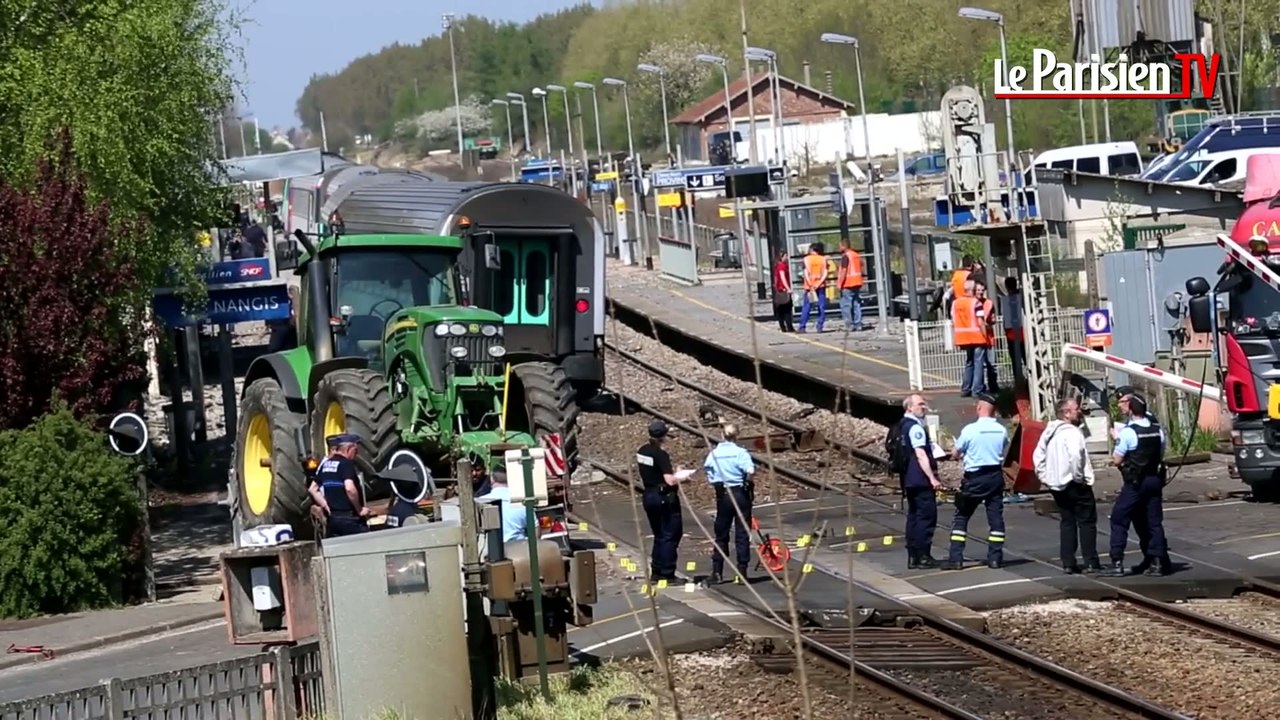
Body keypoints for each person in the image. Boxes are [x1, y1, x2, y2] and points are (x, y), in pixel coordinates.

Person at [1107, 392, 1172, 577]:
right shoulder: (1157, 429)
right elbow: (1160, 453)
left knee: (1119, 519)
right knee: (1153, 522)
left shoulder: (1128, 432)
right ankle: (1158, 562)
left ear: (1131, 411)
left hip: (1135, 482)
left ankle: (1117, 561)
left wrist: (1116, 439)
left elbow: (1117, 459)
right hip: (1154, 479)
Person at [1034, 398, 1101, 574]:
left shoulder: (1050, 430)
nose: (1080, 411)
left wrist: (1045, 477)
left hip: (1057, 485)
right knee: (1086, 522)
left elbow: (1037, 456)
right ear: (1066, 413)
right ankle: (1091, 561)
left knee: (1067, 521)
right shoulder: (1072, 433)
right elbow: (1076, 456)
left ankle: (1068, 562)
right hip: (1074, 483)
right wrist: (1079, 478)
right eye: (1076, 409)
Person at [942, 393, 1009, 570]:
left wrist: (958, 454)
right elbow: (1003, 446)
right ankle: (995, 558)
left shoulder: (970, 430)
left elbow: (957, 452)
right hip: (994, 476)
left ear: (979, 408)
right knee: (995, 518)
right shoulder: (1001, 430)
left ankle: (956, 558)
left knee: (962, 516)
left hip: (975, 478)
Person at [636, 420, 689, 582]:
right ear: (664, 436)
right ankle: (667, 573)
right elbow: (669, 480)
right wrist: (681, 475)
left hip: (649, 495)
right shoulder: (661, 454)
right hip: (663, 497)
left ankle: (656, 571)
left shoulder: (642, 451)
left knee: (659, 534)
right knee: (671, 534)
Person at [704, 424, 755, 583]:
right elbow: (751, 471)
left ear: (722, 434)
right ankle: (741, 572)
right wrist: (747, 481)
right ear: (737, 436)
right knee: (742, 533)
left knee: (721, 533)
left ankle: (717, 571)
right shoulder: (741, 453)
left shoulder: (714, 453)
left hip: (723, 494)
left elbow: (708, 469)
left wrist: (715, 481)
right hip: (740, 493)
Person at [898, 394, 942, 569]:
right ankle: (924, 556)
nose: (923, 407)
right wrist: (932, 478)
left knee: (913, 516)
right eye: (920, 404)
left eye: (924, 404)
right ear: (909, 407)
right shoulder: (915, 428)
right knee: (926, 517)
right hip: (920, 479)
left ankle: (913, 556)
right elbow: (920, 454)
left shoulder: (902, 425)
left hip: (908, 478)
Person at [308, 433, 372, 537]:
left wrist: (326, 506)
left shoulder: (325, 465)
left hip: (333, 520)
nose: (357, 454)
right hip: (350, 519)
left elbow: (312, 489)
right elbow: (350, 488)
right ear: (349, 449)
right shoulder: (346, 464)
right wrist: (359, 509)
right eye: (355, 450)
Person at [477, 467, 530, 544]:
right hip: (519, 549)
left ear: (492, 479)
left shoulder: (481, 502)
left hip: (491, 551)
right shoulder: (521, 501)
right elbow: (535, 529)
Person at [952, 279, 986, 397]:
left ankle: (965, 388)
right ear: (972, 290)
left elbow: (953, 320)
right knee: (978, 363)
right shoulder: (976, 303)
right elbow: (980, 321)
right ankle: (977, 390)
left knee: (969, 362)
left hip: (962, 337)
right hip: (977, 336)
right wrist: (985, 335)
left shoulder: (956, 303)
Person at [973, 280, 999, 393]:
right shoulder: (971, 303)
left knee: (991, 364)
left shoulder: (988, 303)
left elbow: (993, 319)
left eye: (982, 290)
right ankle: (979, 387)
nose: (980, 292)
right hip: (976, 339)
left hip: (988, 338)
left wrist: (988, 324)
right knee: (978, 365)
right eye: (978, 290)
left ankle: (993, 387)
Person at [837, 238, 865, 332]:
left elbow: (844, 270)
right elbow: (861, 265)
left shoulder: (846, 256)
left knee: (846, 305)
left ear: (844, 246)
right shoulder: (856, 255)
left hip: (848, 283)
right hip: (857, 282)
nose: (839, 248)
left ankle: (849, 325)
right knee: (856, 304)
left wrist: (840, 283)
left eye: (840, 246)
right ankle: (858, 324)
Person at [798, 243, 827, 333]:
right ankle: (819, 326)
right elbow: (825, 273)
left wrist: (810, 284)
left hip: (809, 287)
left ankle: (802, 327)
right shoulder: (823, 259)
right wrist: (818, 283)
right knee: (821, 307)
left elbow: (805, 273)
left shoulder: (806, 259)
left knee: (807, 307)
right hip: (820, 286)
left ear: (812, 250)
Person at [1001, 276, 1026, 380]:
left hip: (1012, 335)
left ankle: (1019, 380)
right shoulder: (1023, 298)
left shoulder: (1006, 300)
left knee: (1016, 361)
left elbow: (1006, 321)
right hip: (1024, 334)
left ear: (1006, 287)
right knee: (1027, 358)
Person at [772, 250, 795, 332]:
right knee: (787, 310)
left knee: (780, 311)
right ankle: (789, 327)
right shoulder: (782, 266)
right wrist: (788, 288)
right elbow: (783, 277)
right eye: (786, 256)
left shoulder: (777, 265)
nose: (787, 258)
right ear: (782, 257)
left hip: (779, 290)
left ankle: (783, 326)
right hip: (783, 290)